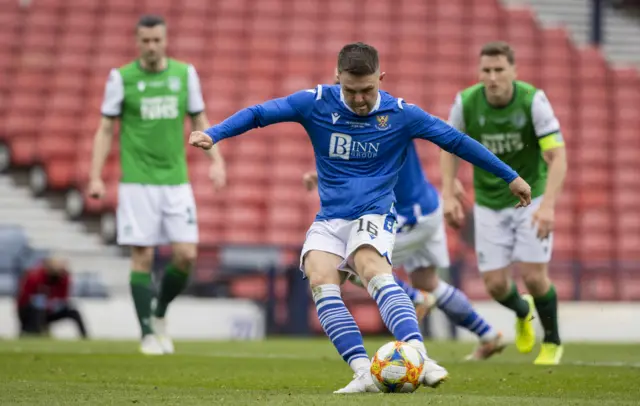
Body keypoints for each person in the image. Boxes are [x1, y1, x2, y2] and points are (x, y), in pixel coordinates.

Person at [189, 42, 531, 393]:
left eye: (368, 89)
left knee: (369, 265)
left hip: (375, 212)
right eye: (350, 91)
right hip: (331, 217)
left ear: (380, 78)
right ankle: (363, 372)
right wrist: (215, 134)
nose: (360, 99)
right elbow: (260, 113)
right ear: (337, 78)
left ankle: (419, 356)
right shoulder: (315, 103)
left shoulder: (401, 114)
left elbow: (456, 141)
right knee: (320, 277)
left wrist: (511, 176)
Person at [87, 15, 226, 355]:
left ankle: (159, 311)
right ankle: (147, 333)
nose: (151, 46)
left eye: (156, 40)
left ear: (165, 41)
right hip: (137, 182)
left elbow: (200, 120)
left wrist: (217, 161)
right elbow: (106, 129)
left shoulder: (184, 74)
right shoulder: (121, 79)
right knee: (142, 256)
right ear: (138, 42)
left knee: (186, 255)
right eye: (145, 41)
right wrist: (95, 175)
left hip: (176, 181)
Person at [302, 141, 506, 361]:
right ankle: (488, 335)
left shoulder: (386, 121)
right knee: (427, 281)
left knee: (355, 265)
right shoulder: (386, 120)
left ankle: (417, 299)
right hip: (428, 206)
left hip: (408, 215)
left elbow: (448, 135)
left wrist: (450, 184)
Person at [440, 41, 567, 365]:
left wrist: (549, 205)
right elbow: (447, 144)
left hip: (531, 197)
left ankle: (552, 342)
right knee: (495, 285)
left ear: (513, 71)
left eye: (499, 70)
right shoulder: (466, 102)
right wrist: (449, 186)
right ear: (479, 72)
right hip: (488, 201)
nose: (493, 77)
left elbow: (557, 155)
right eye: (486, 70)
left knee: (535, 277)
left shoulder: (532, 100)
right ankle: (523, 311)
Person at [16, 257, 88, 339]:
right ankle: (37, 333)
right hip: (30, 311)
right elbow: (25, 298)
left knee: (74, 312)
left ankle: (85, 337)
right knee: (38, 309)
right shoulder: (34, 276)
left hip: (50, 310)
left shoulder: (63, 277)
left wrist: (52, 304)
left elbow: (63, 298)